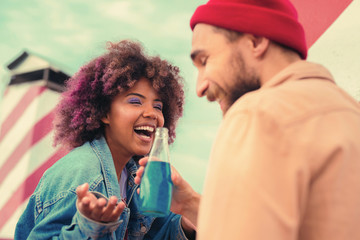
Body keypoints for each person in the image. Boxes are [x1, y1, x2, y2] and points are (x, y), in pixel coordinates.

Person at [186, 0, 360, 239]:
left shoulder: (257, 114)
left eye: (205, 61)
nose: (200, 86)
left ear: (256, 41)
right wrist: (189, 203)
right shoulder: (351, 113)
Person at [14, 40, 197, 239]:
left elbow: (153, 233)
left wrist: (186, 221)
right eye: (135, 101)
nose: (152, 114)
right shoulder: (83, 175)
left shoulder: (135, 173)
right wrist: (90, 228)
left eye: (158, 106)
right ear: (104, 113)